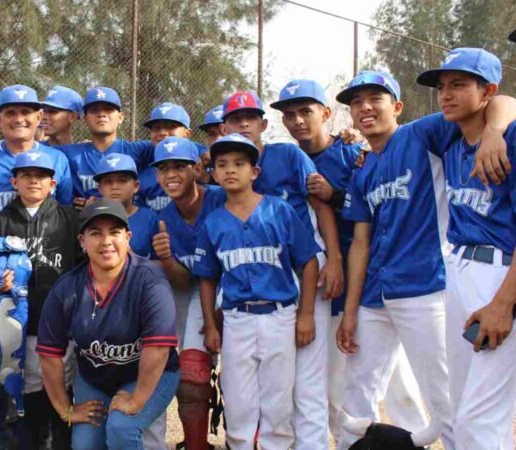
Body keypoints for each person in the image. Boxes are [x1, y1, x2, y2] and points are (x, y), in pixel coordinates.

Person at [335, 70, 516, 450]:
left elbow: (500, 102)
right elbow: (360, 244)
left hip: (427, 286)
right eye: (356, 102)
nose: (365, 107)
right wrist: (350, 311)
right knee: (356, 388)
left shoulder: (423, 134)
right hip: (375, 292)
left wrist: (495, 132)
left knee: (444, 395)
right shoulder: (363, 169)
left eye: (375, 98)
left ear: (398, 107)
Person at [270, 79, 427, 442]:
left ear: (326, 113)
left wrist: (335, 194)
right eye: (289, 114)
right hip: (330, 284)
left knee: (398, 381)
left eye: (306, 111)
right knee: (344, 382)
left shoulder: (352, 153)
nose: (297, 120)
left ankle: (415, 440)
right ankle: (353, 443)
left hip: (373, 276)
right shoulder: (287, 160)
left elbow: (372, 205)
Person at [220, 89, 343, 449]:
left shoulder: (288, 155)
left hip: (307, 268)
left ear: (263, 123)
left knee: (308, 378)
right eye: (234, 118)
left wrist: (334, 257)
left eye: (250, 117)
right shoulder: (225, 167)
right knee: (274, 381)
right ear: (224, 126)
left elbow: (320, 204)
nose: (243, 123)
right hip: (262, 276)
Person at [194, 133, 321, 450]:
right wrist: (211, 324)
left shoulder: (278, 210)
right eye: (222, 164)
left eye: (239, 163)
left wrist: (306, 314)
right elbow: (207, 277)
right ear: (214, 174)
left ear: (255, 172)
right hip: (237, 319)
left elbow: (308, 261)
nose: (230, 170)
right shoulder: (213, 222)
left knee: (277, 402)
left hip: (279, 315)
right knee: (238, 401)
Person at [417, 47, 516, 449]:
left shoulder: (510, 139)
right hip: (459, 272)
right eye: (442, 87)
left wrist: (503, 304)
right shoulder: (452, 142)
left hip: (500, 275)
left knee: (480, 420)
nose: (446, 94)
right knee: (460, 413)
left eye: (458, 84)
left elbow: (509, 102)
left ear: (487, 91)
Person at [37, 199, 180, 449]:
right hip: (95, 378)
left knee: (122, 427)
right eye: (95, 233)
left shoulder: (150, 281)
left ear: (128, 238)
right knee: (85, 445)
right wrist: (65, 409)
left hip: (151, 374)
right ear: (82, 241)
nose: (106, 241)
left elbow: (157, 349)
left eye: (114, 232)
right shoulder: (67, 287)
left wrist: (136, 401)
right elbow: (49, 353)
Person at [0, 150, 83, 450]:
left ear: (53, 183)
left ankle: (61, 440)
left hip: (60, 321)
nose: (34, 180)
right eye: (26, 175)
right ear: (15, 182)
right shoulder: (1, 221)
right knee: (27, 389)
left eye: (41, 176)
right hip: (17, 323)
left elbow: (83, 267)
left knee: (62, 382)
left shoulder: (69, 219)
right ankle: (31, 439)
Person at [152, 136, 227, 450]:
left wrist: (217, 318)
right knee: (192, 373)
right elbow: (184, 283)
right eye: (163, 168)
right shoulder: (165, 218)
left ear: (197, 168)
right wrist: (167, 259)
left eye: (179, 166)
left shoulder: (222, 198)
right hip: (198, 290)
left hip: (238, 289)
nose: (171, 174)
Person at [0, 84, 73, 228]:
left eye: (25, 112)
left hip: (46, 241)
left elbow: (66, 212)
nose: (19, 119)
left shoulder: (57, 159)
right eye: (10, 113)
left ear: (39, 117)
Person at [57, 87, 155, 209]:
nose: (102, 114)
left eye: (108, 109)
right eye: (94, 110)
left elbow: (172, 148)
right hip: (82, 218)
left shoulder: (140, 150)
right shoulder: (68, 153)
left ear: (120, 117)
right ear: (85, 119)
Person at [137, 102, 206, 213]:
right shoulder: (143, 177)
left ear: (187, 133)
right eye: (156, 128)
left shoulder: (204, 165)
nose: (162, 132)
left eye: (171, 126)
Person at [95, 153, 160, 258]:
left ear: (136, 186)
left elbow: (163, 264)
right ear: (99, 188)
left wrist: (132, 259)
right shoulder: (91, 220)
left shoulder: (150, 219)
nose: (114, 186)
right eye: (108, 181)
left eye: (122, 180)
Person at [196, 105, 225, 185]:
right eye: (212, 134)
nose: (218, 139)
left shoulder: (249, 157)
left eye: (224, 132)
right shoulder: (203, 160)